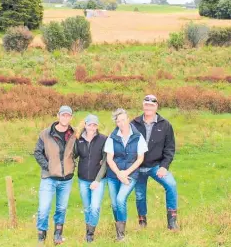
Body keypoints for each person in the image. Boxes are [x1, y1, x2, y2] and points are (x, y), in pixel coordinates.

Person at [131, 95, 178, 230]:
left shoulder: (165, 125)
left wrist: (164, 166)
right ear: (143, 105)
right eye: (146, 105)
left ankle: (172, 222)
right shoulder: (134, 124)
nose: (149, 107)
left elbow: (169, 148)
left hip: (156, 166)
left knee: (171, 185)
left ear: (156, 106)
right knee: (140, 194)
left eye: (151, 105)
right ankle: (142, 222)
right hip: (138, 167)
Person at [34, 105, 76, 246]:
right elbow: (37, 152)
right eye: (62, 115)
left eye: (68, 115)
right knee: (44, 207)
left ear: (71, 117)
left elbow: (78, 151)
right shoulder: (45, 134)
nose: (65, 118)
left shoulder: (74, 134)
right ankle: (41, 235)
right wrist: (48, 167)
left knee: (61, 208)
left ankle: (58, 234)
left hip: (66, 179)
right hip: (49, 178)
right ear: (58, 116)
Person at [104, 108, 148, 241]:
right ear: (116, 123)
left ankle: (121, 236)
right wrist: (118, 173)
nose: (121, 123)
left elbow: (140, 159)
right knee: (114, 204)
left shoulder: (138, 137)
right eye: (118, 121)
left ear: (128, 119)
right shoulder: (112, 137)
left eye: (123, 119)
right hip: (113, 175)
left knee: (120, 199)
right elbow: (109, 159)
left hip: (130, 175)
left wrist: (126, 173)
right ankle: (120, 230)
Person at [74, 114, 108, 243]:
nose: (92, 127)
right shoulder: (79, 140)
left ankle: (90, 234)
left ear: (97, 126)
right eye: (89, 125)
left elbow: (105, 162)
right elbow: (74, 155)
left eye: (94, 125)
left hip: (98, 180)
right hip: (83, 179)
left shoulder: (103, 139)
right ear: (85, 125)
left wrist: (97, 180)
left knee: (95, 207)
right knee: (87, 208)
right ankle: (88, 231)